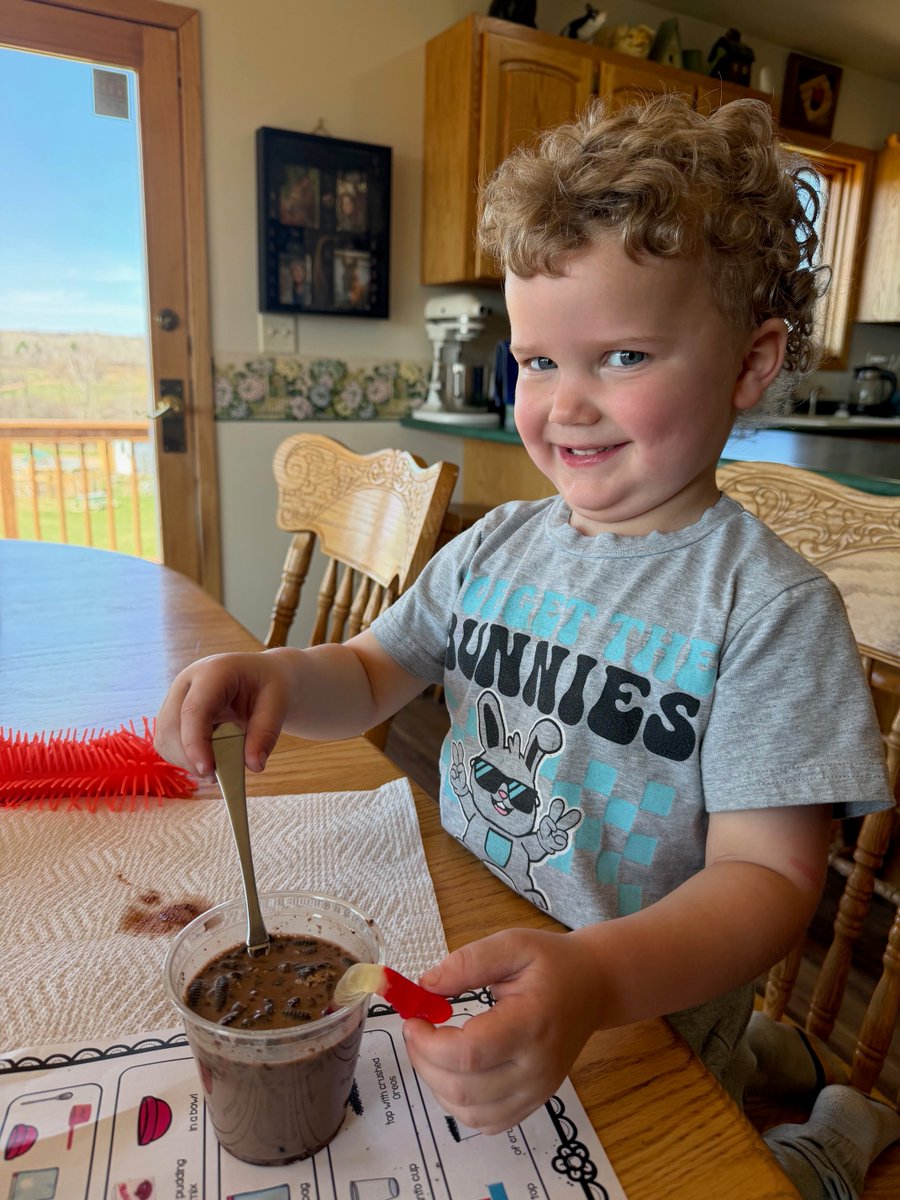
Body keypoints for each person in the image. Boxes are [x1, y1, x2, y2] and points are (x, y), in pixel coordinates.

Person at [155, 94, 897, 1196]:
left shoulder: (769, 611)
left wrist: (595, 981)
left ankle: (835, 1134)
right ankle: (767, 1060)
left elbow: (765, 881)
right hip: (476, 932)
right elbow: (366, 673)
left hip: (638, 1006)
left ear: (750, 365)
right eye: (538, 360)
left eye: (624, 354)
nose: (565, 404)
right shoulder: (496, 544)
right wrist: (270, 675)